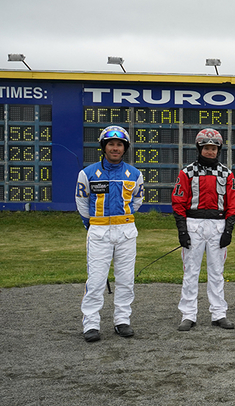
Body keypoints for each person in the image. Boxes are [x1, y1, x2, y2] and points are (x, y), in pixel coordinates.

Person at [75, 125, 144, 342]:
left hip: (126, 231)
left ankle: (122, 321)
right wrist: (93, 224)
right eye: (111, 144)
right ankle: (91, 324)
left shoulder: (135, 174)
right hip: (99, 231)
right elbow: (82, 202)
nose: (115, 148)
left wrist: (122, 219)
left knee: (125, 279)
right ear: (104, 147)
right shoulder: (87, 173)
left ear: (125, 148)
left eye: (119, 145)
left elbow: (137, 201)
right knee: (96, 279)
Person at [172, 128, 235, 331]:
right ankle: (188, 315)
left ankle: (219, 313)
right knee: (191, 271)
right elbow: (178, 202)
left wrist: (228, 230)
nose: (210, 152)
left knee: (217, 272)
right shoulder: (187, 172)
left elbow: (233, 203)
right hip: (193, 224)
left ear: (219, 149)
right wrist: (182, 231)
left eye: (214, 148)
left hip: (218, 225)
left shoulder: (226, 173)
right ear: (199, 148)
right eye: (206, 148)